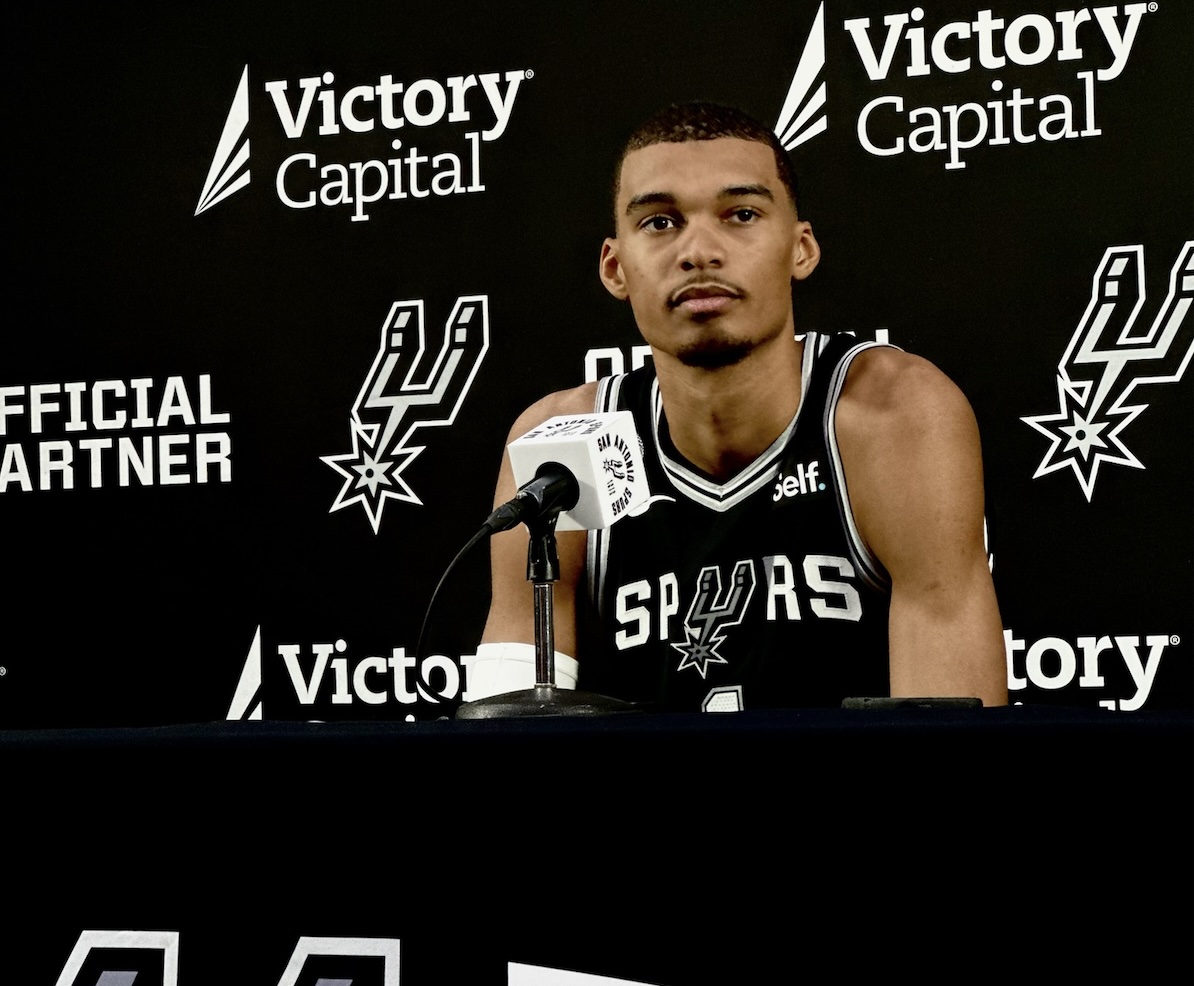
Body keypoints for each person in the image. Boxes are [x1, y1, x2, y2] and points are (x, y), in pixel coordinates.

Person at [474, 101, 1007, 711]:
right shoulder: (557, 447)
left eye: (742, 215)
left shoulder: (890, 416)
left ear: (800, 249)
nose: (699, 251)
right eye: (659, 223)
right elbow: (501, 739)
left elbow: (953, 740)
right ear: (616, 268)